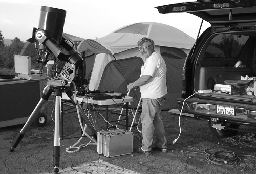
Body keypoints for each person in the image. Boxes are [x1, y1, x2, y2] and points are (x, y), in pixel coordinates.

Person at [127, 37, 167, 155]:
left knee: (147, 121)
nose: (144, 50)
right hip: (157, 94)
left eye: (147, 47)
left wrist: (132, 85)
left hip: (152, 96)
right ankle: (162, 145)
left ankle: (146, 147)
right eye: (142, 48)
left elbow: (146, 77)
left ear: (153, 47)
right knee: (157, 121)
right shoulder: (152, 58)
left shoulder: (153, 59)